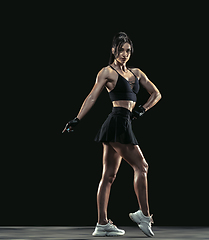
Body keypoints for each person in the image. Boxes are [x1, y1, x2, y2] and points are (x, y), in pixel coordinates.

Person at [62, 32, 161, 237]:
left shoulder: (137, 73)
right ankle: (144, 214)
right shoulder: (107, 72)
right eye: (121, 50)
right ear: (113, 50)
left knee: (109, 176)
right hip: (117, 122)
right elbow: (91, 97)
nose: (124, 54)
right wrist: (77, 119)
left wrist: (142, 109)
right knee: (142, 166)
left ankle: (102, 223)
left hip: (122, 123)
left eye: (128, 50)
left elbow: (156, 94)